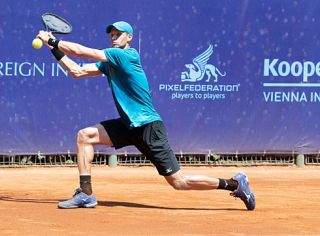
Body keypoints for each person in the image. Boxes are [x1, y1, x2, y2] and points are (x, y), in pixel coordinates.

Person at [37, 21, 255, 210]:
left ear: (129, 38)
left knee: (179, 182)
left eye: (118, 34)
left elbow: (84, 52)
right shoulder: (110, 62)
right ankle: (85, 194)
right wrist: (52, 48)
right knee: (85, 136)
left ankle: (235, 184)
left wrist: (54, 41)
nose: (114, 37)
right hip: (128, 125)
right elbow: (77, 71)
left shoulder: (126, 55)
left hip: (149, 127)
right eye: (111, 34)